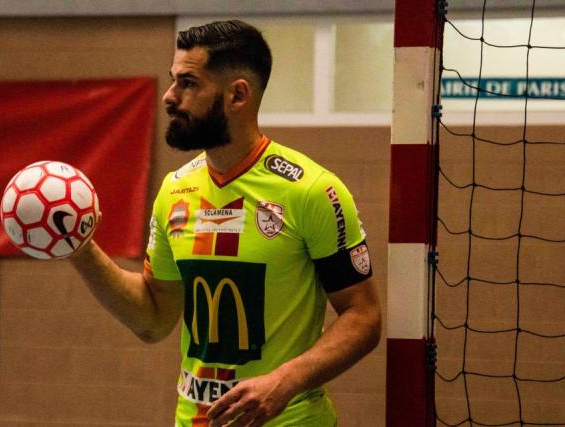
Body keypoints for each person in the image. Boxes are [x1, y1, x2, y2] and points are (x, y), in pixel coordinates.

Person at [70, 20, 381, 426]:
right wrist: (79, 249)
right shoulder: (175, 190)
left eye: (188, 83)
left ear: (237, 95)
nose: (169, 96)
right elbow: (153, 319)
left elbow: (364, 316)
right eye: (172, 81)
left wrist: (284, 381)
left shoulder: (311, 190)